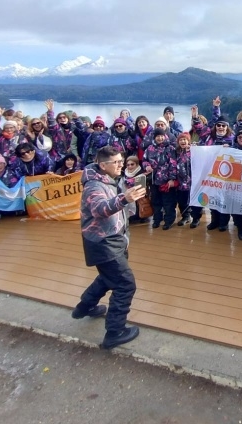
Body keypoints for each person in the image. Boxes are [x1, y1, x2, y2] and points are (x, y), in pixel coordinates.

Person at [74, 146, 146, 350]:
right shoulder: (94, 186)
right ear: (103, 165)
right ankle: (115, 332)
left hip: (112, 239)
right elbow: (99, 210)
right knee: (125, 285)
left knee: (107, 277)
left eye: (121, 161)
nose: (121, 165)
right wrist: (125, 198)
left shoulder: (108, 179)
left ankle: (84, 307)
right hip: (104, 243)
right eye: (116, 162)